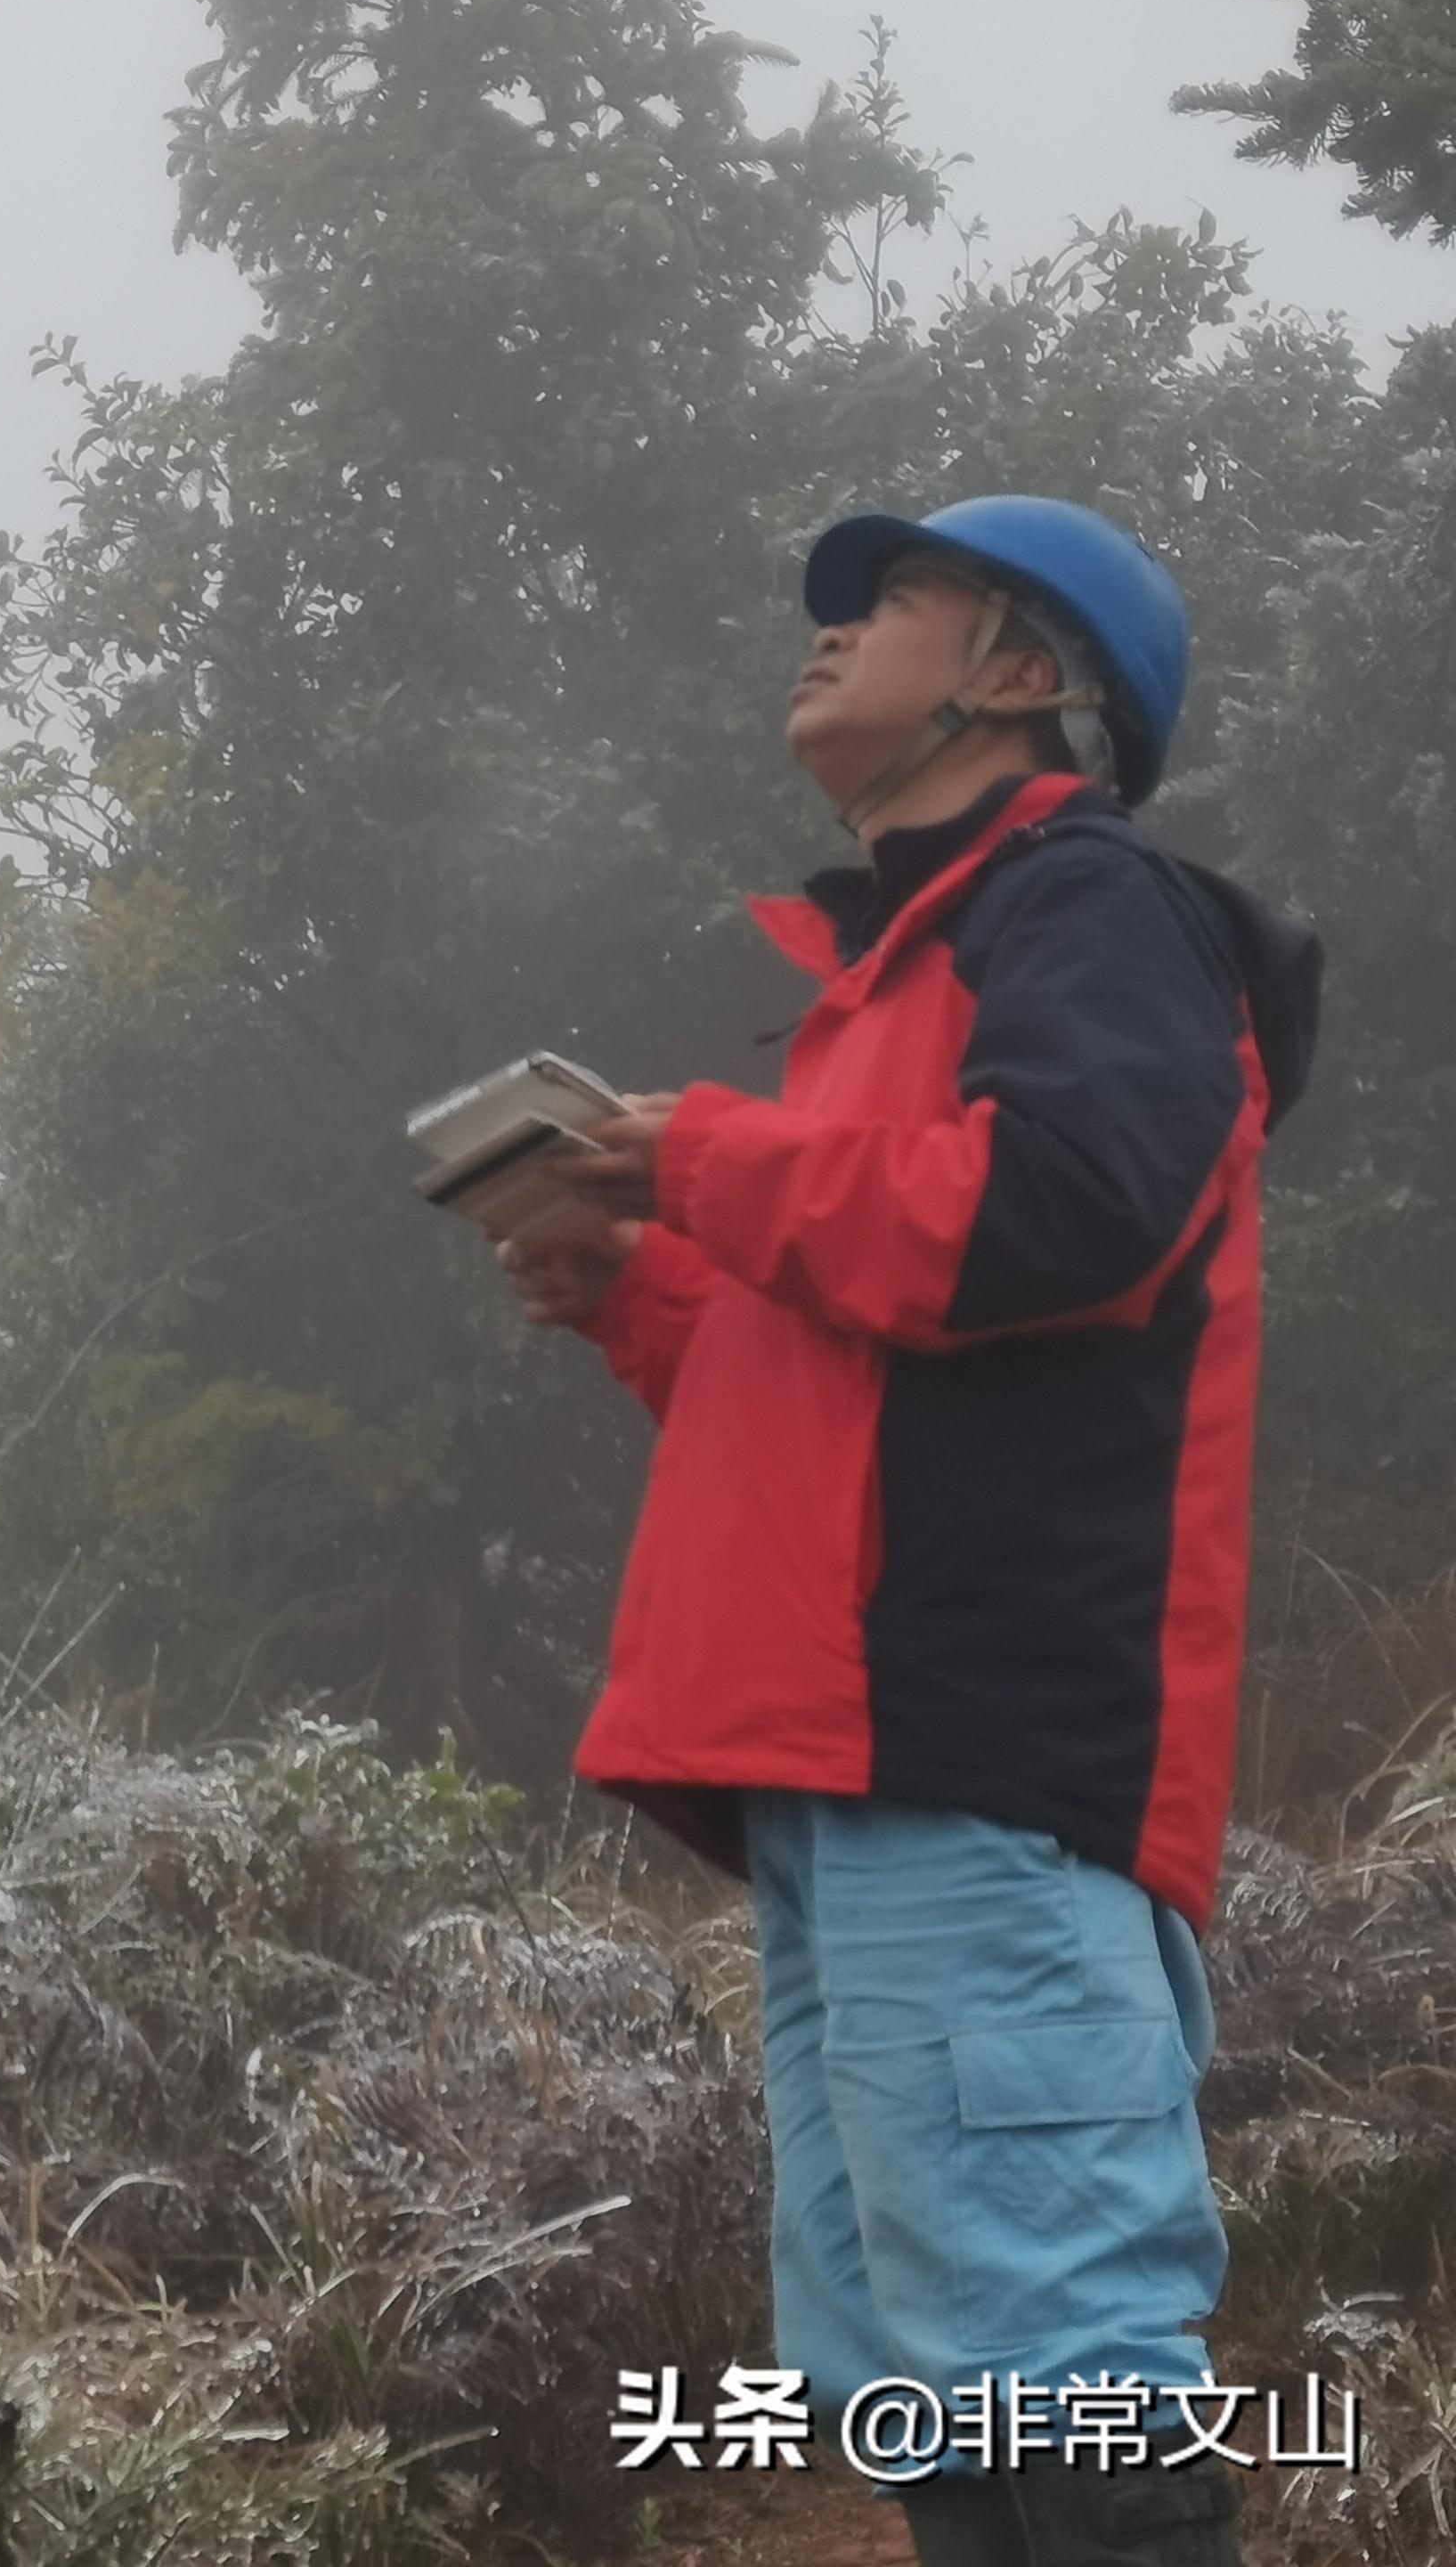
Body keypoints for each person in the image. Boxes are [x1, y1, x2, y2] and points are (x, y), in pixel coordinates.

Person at [505, 500, 1320, 2567]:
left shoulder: (1084, 901)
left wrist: (712, 1152)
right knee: (941, 2408)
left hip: (970, 1752)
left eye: (891, 602)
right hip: (854, 1772)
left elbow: (1072, 1206)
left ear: (1026, 677)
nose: (830, 632)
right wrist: (639, 1274)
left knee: (1060, 2378)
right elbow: (836, 1417)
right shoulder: (903, 975)